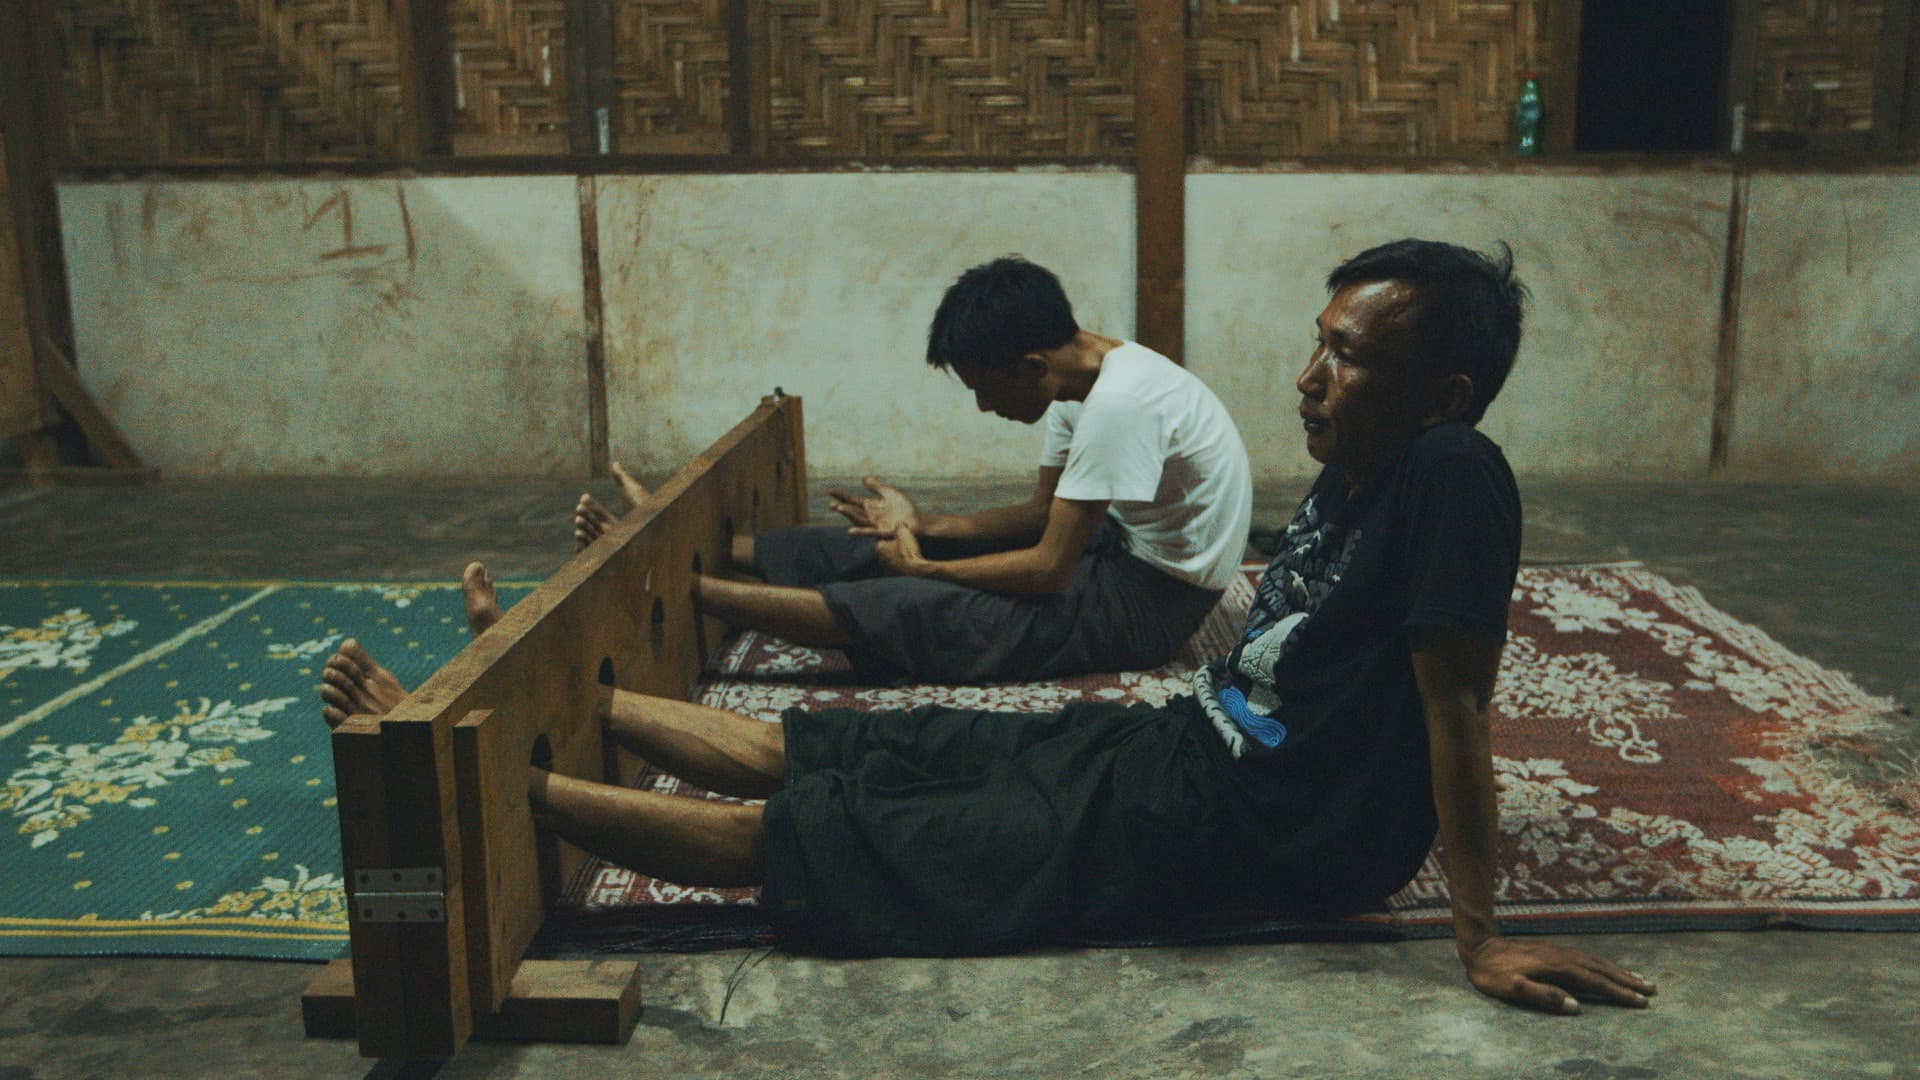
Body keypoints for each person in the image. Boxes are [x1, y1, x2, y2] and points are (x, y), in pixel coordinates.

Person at [321, 239, 1655, 1013]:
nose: (1312, 378)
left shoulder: (1453, 474)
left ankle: (471, 777)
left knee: (844, 838)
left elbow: (1454, 708)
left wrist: (1477, 935)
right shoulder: (1372, 462)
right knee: (863, 751)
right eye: (1321, 344)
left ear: (1446, 393)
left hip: (1251, 824)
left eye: (1351, 357)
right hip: (1186, 747)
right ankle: (523, 706)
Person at [573, 256, 1253, 683]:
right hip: (1124, 549)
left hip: (1155, 604)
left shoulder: (1117, 405)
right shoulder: (1081, 375)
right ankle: (675, 543)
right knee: (881, 540)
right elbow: (1044, 515)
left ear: (1033, 368)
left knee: (930, 607)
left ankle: (682, 586)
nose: (985, 408)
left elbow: (1049, 568)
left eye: (985, 390)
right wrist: (925, 526)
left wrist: (927, 570)